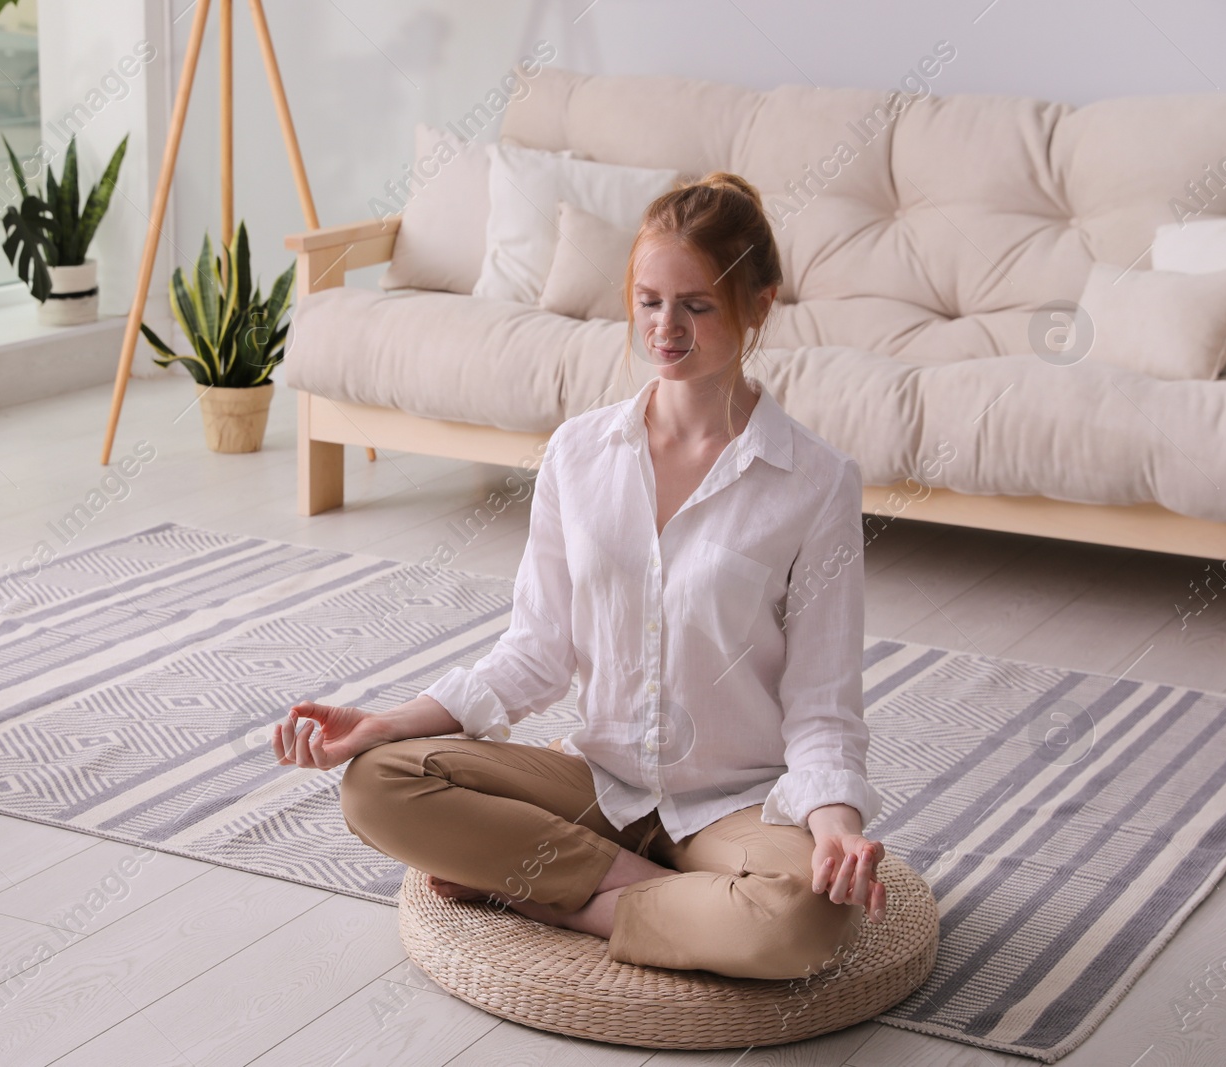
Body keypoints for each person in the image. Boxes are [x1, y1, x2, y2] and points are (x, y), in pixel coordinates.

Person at [272, 171, 888, 981]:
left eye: (696, 305)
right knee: (378, 783)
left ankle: (563, 897)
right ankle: (643, 891)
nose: (665, 329)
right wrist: (387, 721)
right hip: (597, 783)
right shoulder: (577, 453)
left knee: (806, 915)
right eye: (648, 300)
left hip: (732, 803)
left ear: (760, 303)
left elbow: (822, 705)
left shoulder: (815, 482)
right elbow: (535, 654)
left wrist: (835, 821)